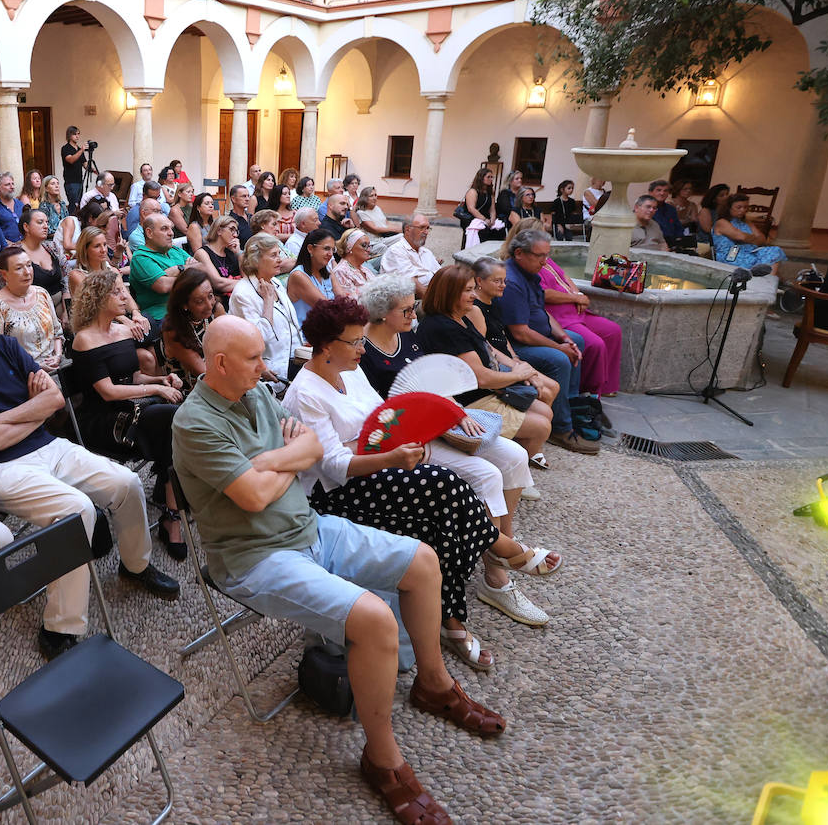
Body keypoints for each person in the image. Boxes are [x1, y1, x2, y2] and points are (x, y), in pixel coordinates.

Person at [173, 315, 505, 823]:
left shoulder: (255, 394)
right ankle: (382, 758)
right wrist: (284, 459)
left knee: (422, 560)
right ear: (220, 364)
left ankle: (433, 684)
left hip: (309, 527)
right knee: (373, 618)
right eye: (255, 358)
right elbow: (257, 495)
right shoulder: (195, 422)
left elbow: (310, 452)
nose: (267, 368)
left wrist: (272, 459)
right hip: (255, 557)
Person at [286, 297, 553, 664]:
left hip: (374, 470)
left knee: (443, 509)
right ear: (327, 345)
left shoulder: (348, 369)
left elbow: (380, 419)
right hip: (336, 493)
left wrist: (403, 444)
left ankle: (455, 615)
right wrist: (393, 456)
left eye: (362, 340)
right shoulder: (307, 392)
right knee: (443, 486)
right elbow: (334, 466)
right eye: (355, 342)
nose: (363, 348)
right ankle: (500, 552)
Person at [0, 294, 179, 659]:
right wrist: (21, 418)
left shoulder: (6, 347)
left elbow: (55, 401)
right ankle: (60, 626)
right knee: (75, 511)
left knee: (126, 482)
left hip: (48, 447)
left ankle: (136, 565)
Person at [70, 271, 186, 556]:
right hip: (105, 420)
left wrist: (162, 381)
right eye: (117, 292)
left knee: (181, 415)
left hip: (133, 406)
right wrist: (157, 392)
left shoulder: (123, 331)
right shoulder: (84, 339)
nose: (125, 297)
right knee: (174, 418)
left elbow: (135, 379)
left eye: (124, 290)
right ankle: (171, 510)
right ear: (98, 299)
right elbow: (108, 392)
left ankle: (169, 498)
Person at [412, 265, 556, 466]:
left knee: (546, 410)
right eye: (468, 290)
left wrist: (519, 366)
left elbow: (486, 346)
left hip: (482, 392)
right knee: (541, 426)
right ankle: (512, 468)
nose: (474, 295)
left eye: (473, 289)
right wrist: (518, 374)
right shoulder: (443, 327)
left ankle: (512, 459)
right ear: (449, 293)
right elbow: (481, 378)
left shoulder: (459, 316)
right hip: (466, 401)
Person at [497, 230, 601, 455]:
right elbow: (521, 333)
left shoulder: (530, 273)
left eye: (547, 255)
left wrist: (563, 337)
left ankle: (570, 408)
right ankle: (561, 429)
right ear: (519, 253)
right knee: (559, 359)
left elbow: (542, 311)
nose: (545, 262)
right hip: (517, 346)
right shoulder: (512, 281)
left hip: (536, 335)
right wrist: (558, 347)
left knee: (577, 341)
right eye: (539, 256)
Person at [464, 259, 558, 464]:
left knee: (551, 387)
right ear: (480, 281)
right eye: (497, 281)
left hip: (506, 358)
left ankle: (530, 437)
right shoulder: (474, 310)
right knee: (545, 388)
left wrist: (516, 359)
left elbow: (501, 337)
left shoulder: (494, 303)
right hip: (495, 365)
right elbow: (487, 348)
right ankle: (528, 437)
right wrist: (517, 368)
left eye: (504, 280)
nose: (503, 285)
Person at [535, 249, 623, 397]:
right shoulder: (531, 263)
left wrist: (578, 294)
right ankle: (591, 391)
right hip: (560, 316)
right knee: (595, 344)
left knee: (613, 330)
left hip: (575, 311)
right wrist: (575, 299)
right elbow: (544, 294)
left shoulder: (545, 256)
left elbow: (564, 276)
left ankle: (608, 386)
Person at [229, 233, 302, 388]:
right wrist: (268, 302)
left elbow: (291, 325)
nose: (280, 260)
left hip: (295, 361)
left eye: (279, 254)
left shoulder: (275, 282)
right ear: (256, 260)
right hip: (270, 373)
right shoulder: (243, 293)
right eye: (273, 255)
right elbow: (259, 338)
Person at [0, 245, 64, 372]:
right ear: (4, 274)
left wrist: (58, 355)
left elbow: (57, 331)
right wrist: (34, 367)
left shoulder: (41, 293)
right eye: (19, 268)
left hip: (55, 363)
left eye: (29, 265)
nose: (27, 272)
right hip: (22, 371)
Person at [161, 266, 225, 385]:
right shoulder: (174, 330)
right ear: (184, 304)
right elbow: (204, 374)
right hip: (191, 391)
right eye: (200, 301)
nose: (209, 305)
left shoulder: (216, 310)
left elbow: (231, 344)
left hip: (223, 375)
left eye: (210, 295)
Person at [129, 213, 190, 322]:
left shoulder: (175, 250)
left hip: (189, 306)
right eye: (164, 229)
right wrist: (185, 269)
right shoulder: (141, 257)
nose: (171, 233)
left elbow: (202, 268)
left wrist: (177, 270)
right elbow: (163, 286)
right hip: (162, 314)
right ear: (149, 233)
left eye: (171, 228)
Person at [713, 192, 787, 273]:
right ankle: (767, 280)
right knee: (758, 261)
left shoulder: (746, 221)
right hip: (731, 255)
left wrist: (749, 239)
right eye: (739, 207)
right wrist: (753, 238)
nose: (743, 210)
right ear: (729, 208)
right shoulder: (722, 222)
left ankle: (769, 282)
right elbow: (741, 237)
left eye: (745, 207)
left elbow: (762, 239)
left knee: (775, 251)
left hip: (750, 251)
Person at [380, 214, 442, 297]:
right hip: (412, 301)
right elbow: (412, 284)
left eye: (427, 228)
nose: (426, 232)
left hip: (433, 294)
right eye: (422, 227)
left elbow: (440, 275)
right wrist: (435, 301)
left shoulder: (426, 252)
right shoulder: (396, 251)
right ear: (408, 229)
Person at [287, 227, 335, 325]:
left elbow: (343, 297)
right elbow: (326, 308)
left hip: (330, 328)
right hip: (308, 336)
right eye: (326, 248)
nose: (330, 254)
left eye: (333, 250)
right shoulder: (298, 275)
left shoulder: (327, 271)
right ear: (310, 249)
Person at [194, 215, 242, 298]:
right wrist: (247, 283)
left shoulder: (231, 252)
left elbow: (247, 276)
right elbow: (218, 283)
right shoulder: (202, 253)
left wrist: (238, 253)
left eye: (236, 231)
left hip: (238, 297)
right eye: (231, 230)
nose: (235, 235)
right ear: (219, 231)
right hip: (219, 302)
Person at [331, 229, 376, 300]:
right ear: (349, 247)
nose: (368, 250)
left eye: (369, 245)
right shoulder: (341, 271)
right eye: (364, 245)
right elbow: (350, 303)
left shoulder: (365, 270)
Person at [0, 171, 24, 243]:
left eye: (13, 184)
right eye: (7, 185)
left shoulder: (20, 204)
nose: (12, 187)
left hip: (26, 246)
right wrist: (13, 245)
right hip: (7, 250)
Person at [695, 183, 731, 253]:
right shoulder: (705, 211)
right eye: (722, 195)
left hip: (721, 242)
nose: (726, 197)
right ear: (714, 199)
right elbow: (708, 230)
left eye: (727, 194)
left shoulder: (726, 211)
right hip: (705, 244)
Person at [60, 125, 87, 207]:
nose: (77, 136)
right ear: (69, 135)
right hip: (71, 182)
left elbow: (85, 164)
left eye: (78, 134)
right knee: (73, 205)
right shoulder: (65, 148)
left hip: (79, 181)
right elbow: (71, 160)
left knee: (80, 205)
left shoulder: (79, 149)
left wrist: (94, 170)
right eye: (75, 134)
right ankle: (70, 219)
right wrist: (82, 150)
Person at [38, 174, 69, 241]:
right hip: (50, 241)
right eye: (53, 184)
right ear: (46, 188)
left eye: (58, 183)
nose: (57, 186)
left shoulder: (62, 204)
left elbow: (68, 223)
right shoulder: (44, 206)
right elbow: (44, 230)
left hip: (65, 238)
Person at [186, 191, 216, 256]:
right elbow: (199, 253)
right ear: (198, 207)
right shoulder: (194, 226)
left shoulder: (213, 224)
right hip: (202, 261)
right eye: (207, 203)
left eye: (212, 204)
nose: (211, 206)